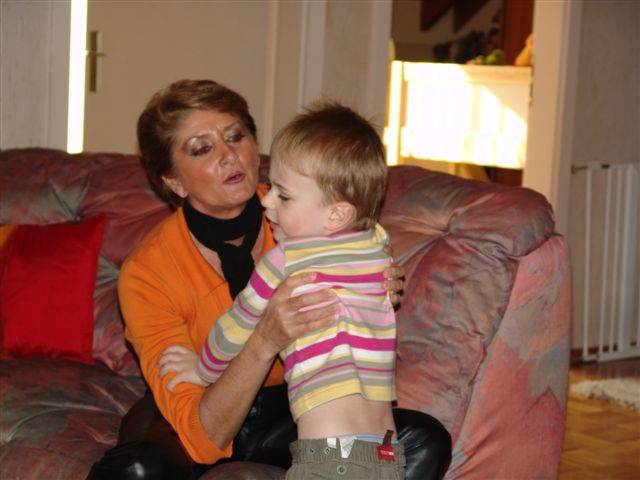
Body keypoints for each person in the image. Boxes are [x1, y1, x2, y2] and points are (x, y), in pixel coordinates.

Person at [87, 79, 451, 480]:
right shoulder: (147, 272)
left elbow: (362, 235)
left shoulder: (301, 207)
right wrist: (265, 339)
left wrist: (378, 280)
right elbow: (203, 438)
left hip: (289, 406)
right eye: (202, 148)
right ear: (173, 181)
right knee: (139, 470)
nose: (229, 155)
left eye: (236, 136)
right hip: (201, 405)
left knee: (423, 440)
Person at [159, 104, 403, 478]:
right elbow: (381, 243)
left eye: (283, 196)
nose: (266, 200)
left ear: (337, 214)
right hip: (387, 452)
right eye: (271, 186)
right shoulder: (376, 246)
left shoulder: (286, 260)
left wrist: (201, 370)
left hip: (327, 456)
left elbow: (235, 329)